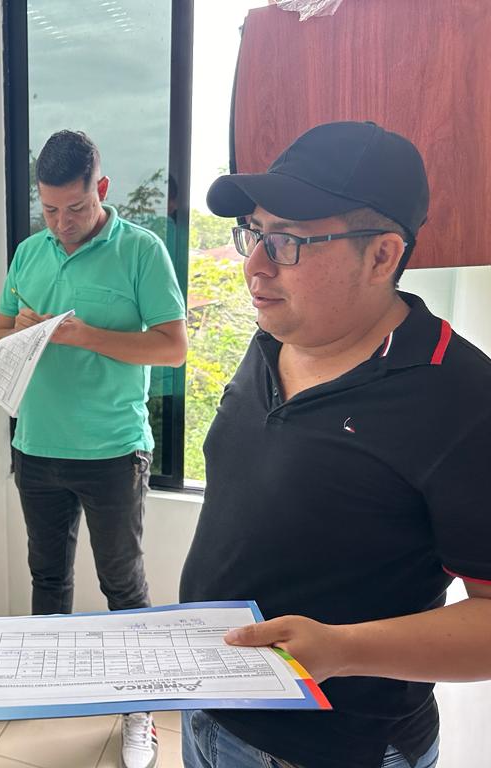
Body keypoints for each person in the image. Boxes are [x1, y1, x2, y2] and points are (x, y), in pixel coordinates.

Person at [179, 121, 491, 768]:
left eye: (288, 241)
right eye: (254, 234)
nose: (255, 265)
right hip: (207, 708)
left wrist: (341, 649)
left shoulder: (460, 398)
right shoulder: (273, 340)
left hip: (332, 749)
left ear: (381, 256)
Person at [0, 129, 188, 768]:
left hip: (112, 452)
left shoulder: (141, 250)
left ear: (100, 188)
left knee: (122, 585)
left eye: (74, 208)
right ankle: (51, 689)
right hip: (36, 446)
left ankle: (140, 713)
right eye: (49, 209)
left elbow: (172, 348)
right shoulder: (29, 253)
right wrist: (17, 332)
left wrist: (85, 336)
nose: (61, 222)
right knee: (47, 576)